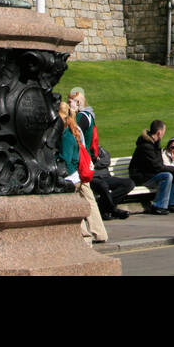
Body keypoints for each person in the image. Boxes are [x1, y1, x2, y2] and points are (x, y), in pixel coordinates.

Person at [68, 88, 131, 221]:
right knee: (94, 192)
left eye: (70, 102)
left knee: (90, 194)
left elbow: (74, 135)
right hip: (91, 167)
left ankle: (108, 210)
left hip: (83, 165)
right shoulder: (89, 116)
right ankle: (110, 211)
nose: (69, 106)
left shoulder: (82, 117)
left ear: (78, 103)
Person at [59, 101, 108, 243]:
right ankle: (100, 233)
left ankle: (85, 237)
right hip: (82, 171)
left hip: (74, 173)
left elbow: (67, 158)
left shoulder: (66, 133)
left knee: (76, 205)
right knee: (89, 202)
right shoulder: (76, 129)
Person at [128, 119, 174, 215]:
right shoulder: (146, 146)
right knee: (167, 176)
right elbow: (157, 167)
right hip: (141, 177)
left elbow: (159, 164)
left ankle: (173, 204)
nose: (164, 134)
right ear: (159, 132)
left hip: (150, 174)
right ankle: (158, 206)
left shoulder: (155, 144)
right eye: (164, 132)